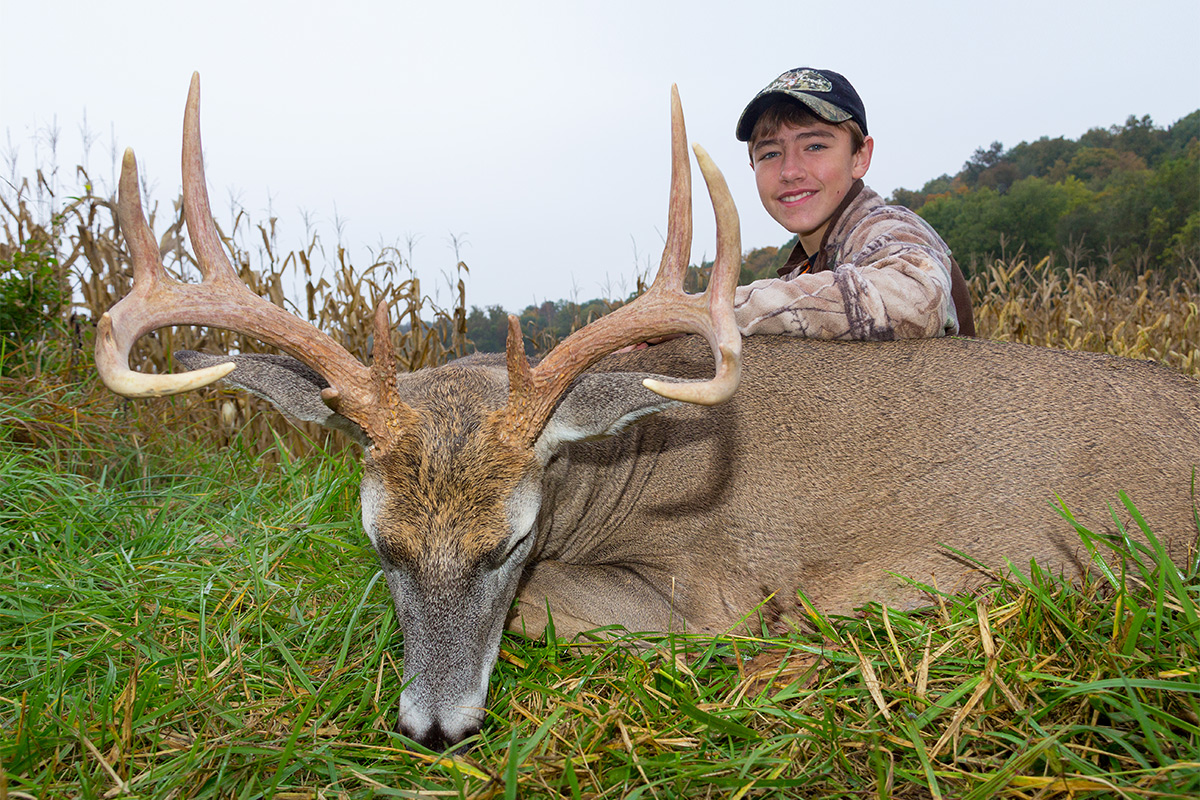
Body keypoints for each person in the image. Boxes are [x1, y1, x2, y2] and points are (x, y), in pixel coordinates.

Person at [733, 68, 975, 339]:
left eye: (815, 147)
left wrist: (726, 307)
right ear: (753, 166)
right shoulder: (805, 271)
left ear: (860, 156)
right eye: (771, 153)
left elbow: (917, 298)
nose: (789, 171)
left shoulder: (886, 229)